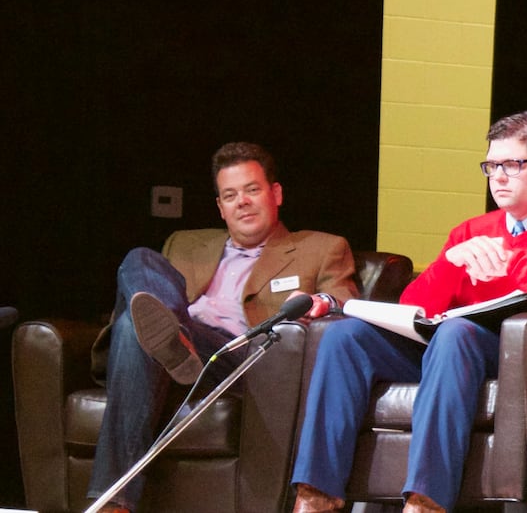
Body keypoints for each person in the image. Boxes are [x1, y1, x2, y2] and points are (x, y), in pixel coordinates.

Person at [290, 110, 527, 513]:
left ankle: (426, 501)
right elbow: (416, 307)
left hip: (517, 357)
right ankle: (316, 496)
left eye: (513, 165)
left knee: (457, 332)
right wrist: (450, 263)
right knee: (345, 337)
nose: (498, 177)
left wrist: (515, 266)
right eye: (491, 166)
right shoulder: (471, 230)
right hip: (447, 353)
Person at [89, 141, 359, 513]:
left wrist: (322, 303)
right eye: (230, 195)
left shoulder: (321, 247)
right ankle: (170, 340)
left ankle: (111, 503)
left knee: (135, 331)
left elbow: (345, 299)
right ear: (220, 206)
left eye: (252, 190)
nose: (242, 202)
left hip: (238, 358)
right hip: (179, 347)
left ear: (275, 193)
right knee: (139, 269)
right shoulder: (184, 244)